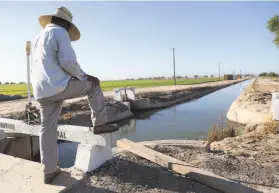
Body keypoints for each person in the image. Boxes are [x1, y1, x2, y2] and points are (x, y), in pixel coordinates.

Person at [31, 7, 119, 184]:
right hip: (58, 86)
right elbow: (68, 62)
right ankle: (100, 124)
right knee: (94, 86)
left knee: (47, 128)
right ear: (65, 23)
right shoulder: (60, 32)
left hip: (40, 91)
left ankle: (49, 171)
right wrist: (85, 77)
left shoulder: (36, 38)